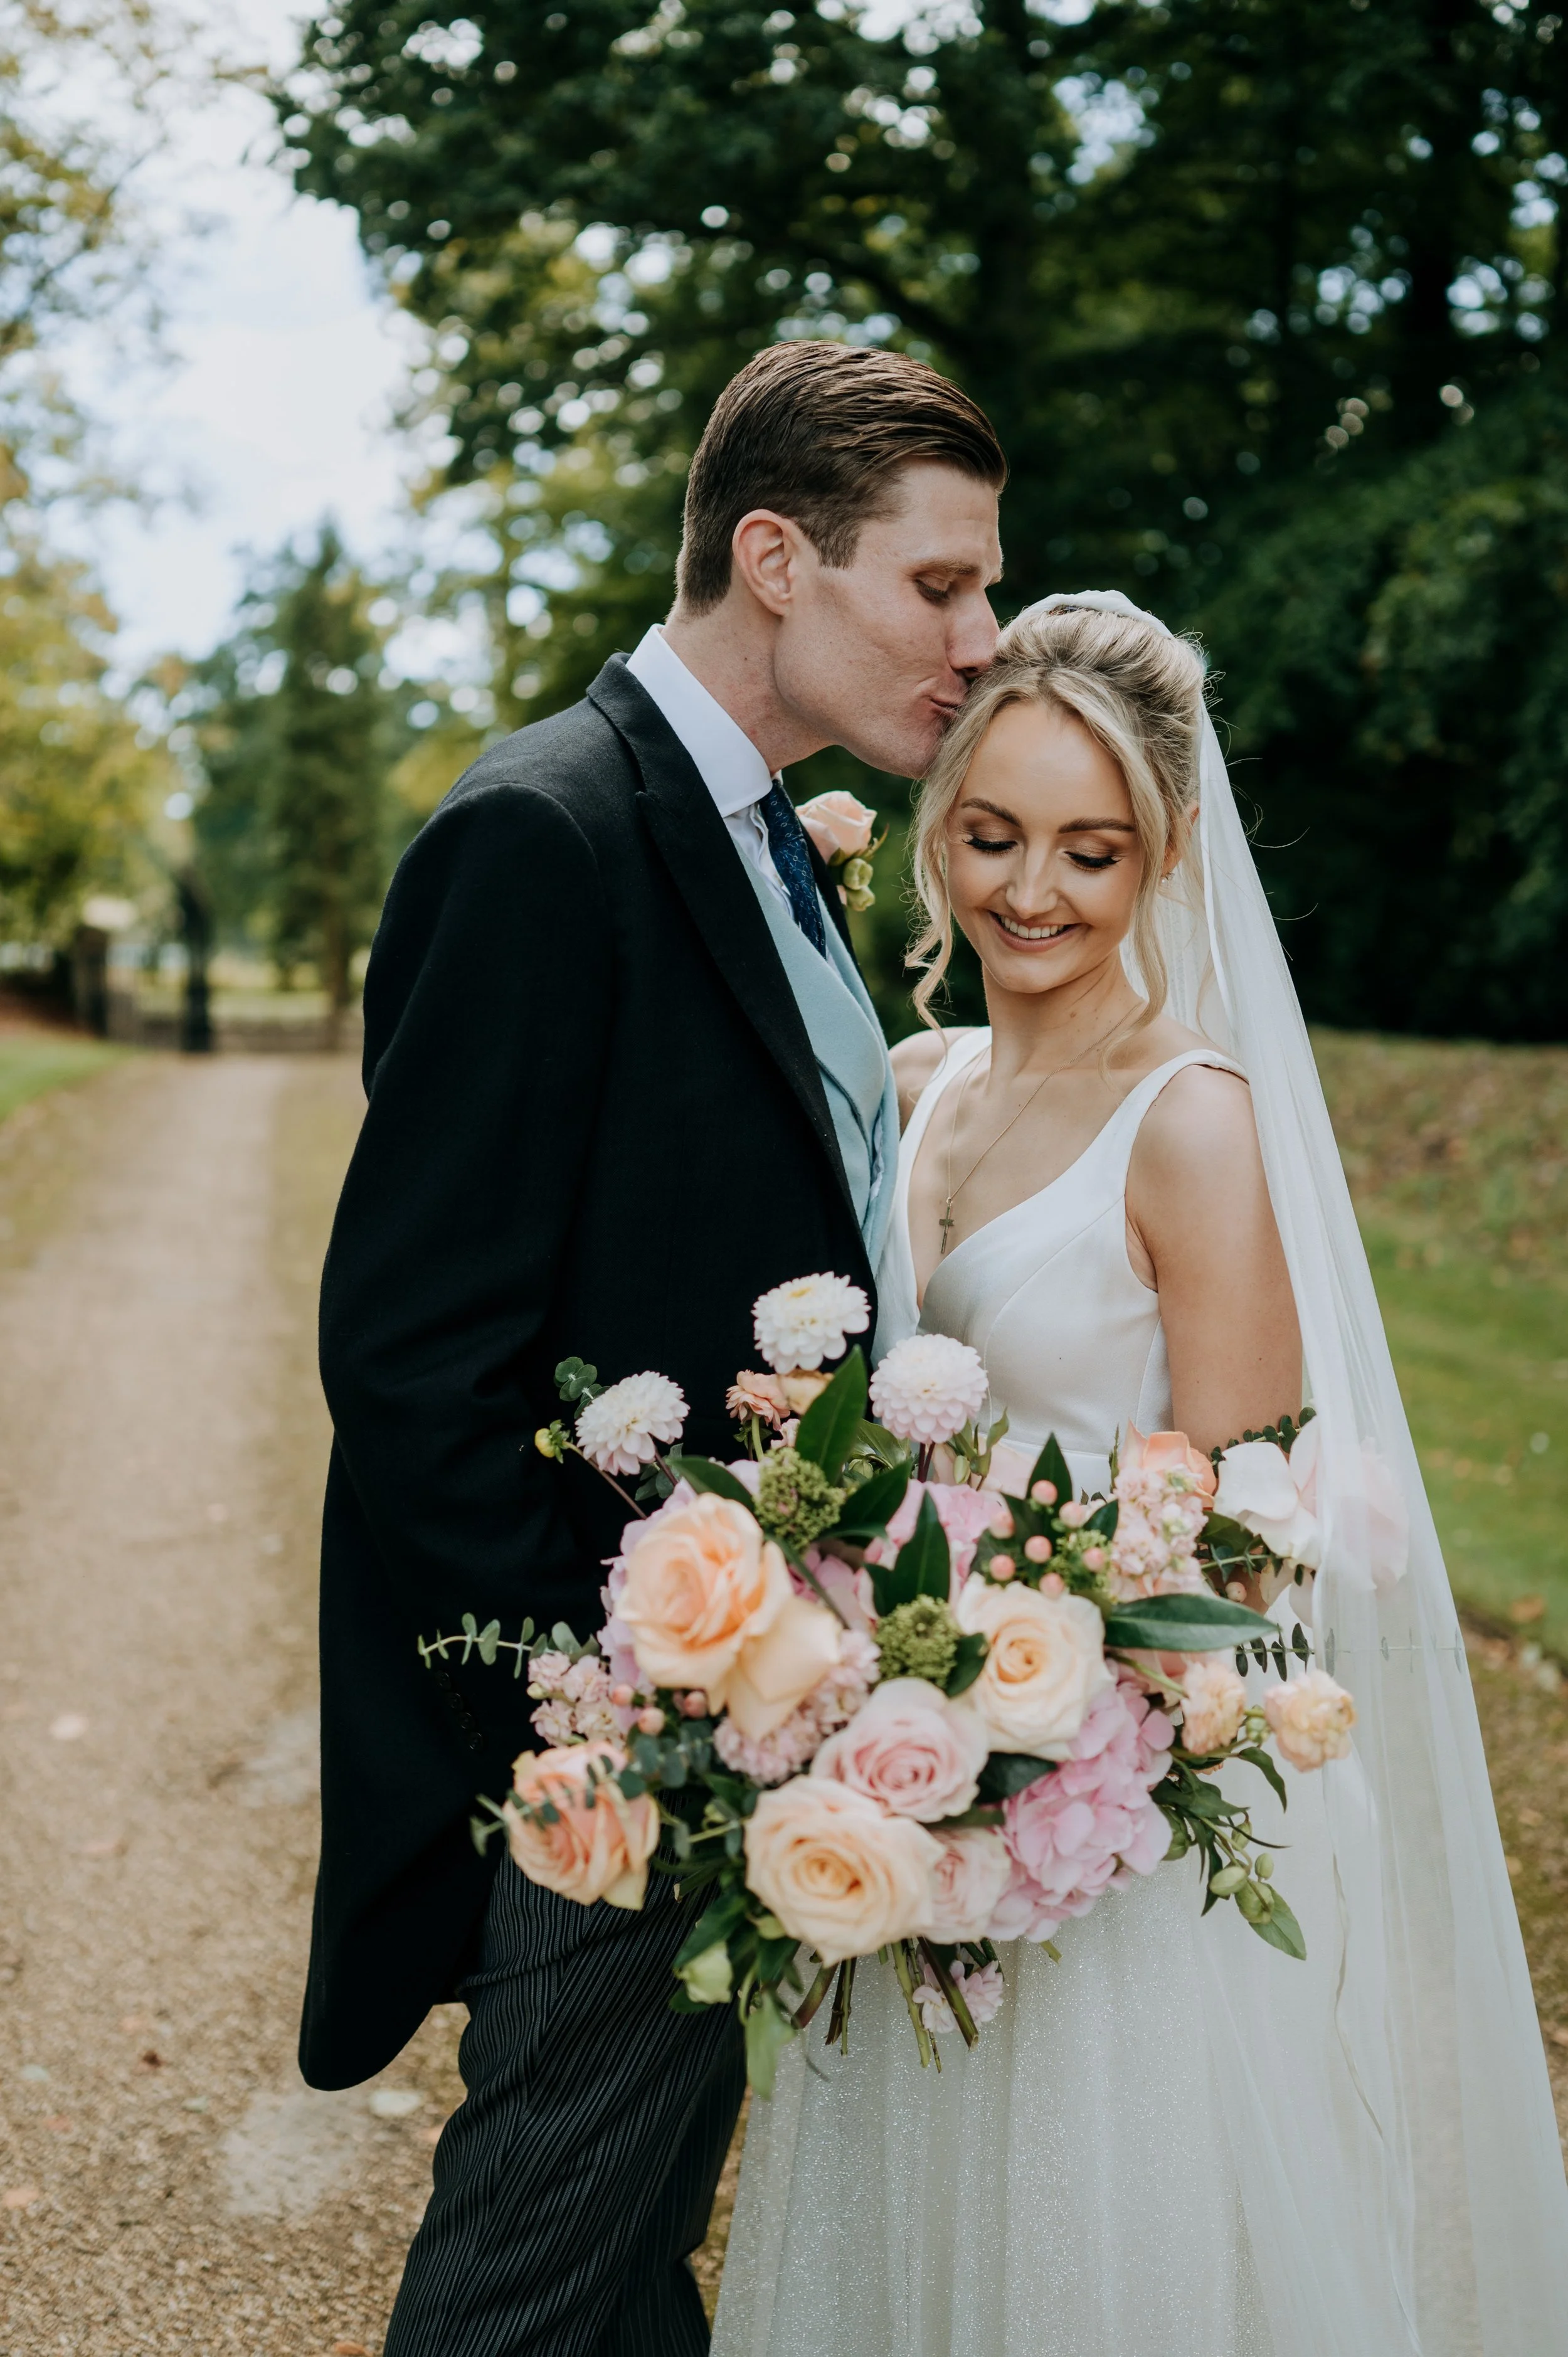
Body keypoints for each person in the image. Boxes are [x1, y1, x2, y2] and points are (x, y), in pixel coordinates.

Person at [713, 594, 1568, 2357]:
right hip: (899, 1793)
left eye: (1087, 851)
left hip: (1099, 1823)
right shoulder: (913, 1078)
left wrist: (1023, 1722)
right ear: (938, 822)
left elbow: (1249, 1528)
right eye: (992, 834)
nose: (1030, 891)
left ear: (1162, 853)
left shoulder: (1185, 1116)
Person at [299, 338, 1004, 2357]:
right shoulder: (542, 834)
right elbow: (416, 1357)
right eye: (936, 585)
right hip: (624, 1753)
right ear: (774, 557)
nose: (975, 637)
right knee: (533, 2283)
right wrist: (627, 1702)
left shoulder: (773, 834)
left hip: (741, 1729)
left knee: (616, 2275)